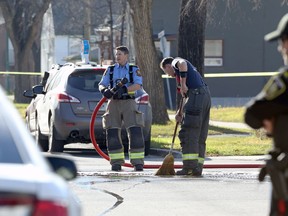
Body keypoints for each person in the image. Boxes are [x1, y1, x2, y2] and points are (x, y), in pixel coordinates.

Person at [244, 13, 288, 216]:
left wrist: (272, 118)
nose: (281, 49)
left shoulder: (285, 82)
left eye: (281, 42)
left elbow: (252, 114)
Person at [160, 57, 211, 176]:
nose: (168, 75)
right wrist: (180, 112)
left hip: (196, 96)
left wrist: (183, 84)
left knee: (189, 132)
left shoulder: (175, 63)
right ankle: (197, 168)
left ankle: (189, 167)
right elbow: (184, 96)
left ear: (168, 66)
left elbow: (182, 63)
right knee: (199, 134)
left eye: (165, 71)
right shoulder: (182, 77)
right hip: (204, 97)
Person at [98, 46, 145, 172]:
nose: (117, 56)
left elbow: (138, 85)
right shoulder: (111, 69)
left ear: (126, 55)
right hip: (113, 102)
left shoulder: (133, 69)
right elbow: (102, 83)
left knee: (135, 131)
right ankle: (116, 163)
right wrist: (104, 90)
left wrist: (124, 89)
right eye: (116, 54)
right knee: (112, 131)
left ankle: (138, 163)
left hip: (128, 102)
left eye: (119, 54)